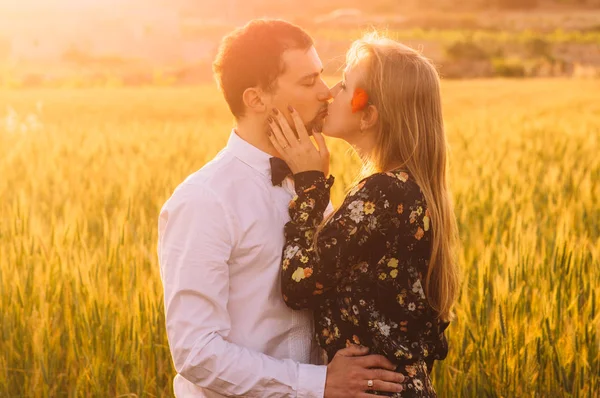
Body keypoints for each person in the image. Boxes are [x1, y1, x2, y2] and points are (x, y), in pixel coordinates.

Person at [158, 20, 405, 397]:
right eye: (308, 82)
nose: (326, 93)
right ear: (256, 99)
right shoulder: (204, 200)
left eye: (322, 76)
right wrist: (317, 383)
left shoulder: (310, 182)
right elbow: (196, 352)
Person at [269, 33, 461, 397]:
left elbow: (298, 284)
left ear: (368, 115)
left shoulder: (383, 192)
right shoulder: (409, 189)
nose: (330, 93)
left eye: (344, 86)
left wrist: (310, 187)